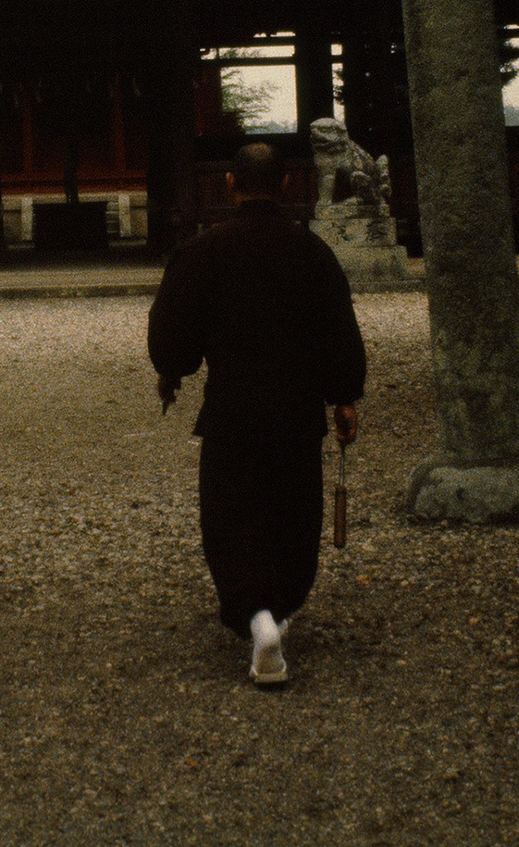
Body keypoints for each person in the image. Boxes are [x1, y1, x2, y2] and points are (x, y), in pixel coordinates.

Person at [148, 140, 365, 686]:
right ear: (286, 184)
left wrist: (173, 369)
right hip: (296, 413)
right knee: (292, 515)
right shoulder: (311, 252)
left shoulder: (204, 251)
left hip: (232, 411)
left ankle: (257, 617)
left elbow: (172, 333)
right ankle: (278, 609)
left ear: (230, 184)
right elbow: (339, 330)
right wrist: (344, 395)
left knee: (233, 517)